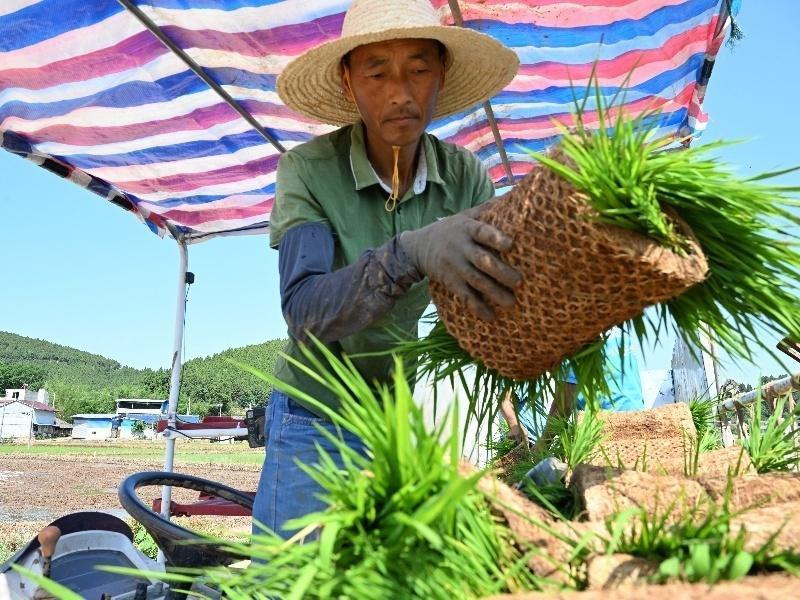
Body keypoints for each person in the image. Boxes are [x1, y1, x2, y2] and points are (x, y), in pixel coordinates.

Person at [252, 0, 521, 537]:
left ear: (441, 78)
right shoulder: (307, 171)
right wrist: (409, 252)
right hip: (315, 413)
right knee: (293, 581)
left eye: (419, 70)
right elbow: (304, 310)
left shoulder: (464, 177)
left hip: (395, 416)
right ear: (349, 84)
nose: (401, 93)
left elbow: (488, 301)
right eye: (378, 73)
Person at [499, 330, 645, 452]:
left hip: (604, 428)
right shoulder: (616, 331)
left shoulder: (573, 342)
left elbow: (563, 406)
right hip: (637, 420)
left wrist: (542, 446)